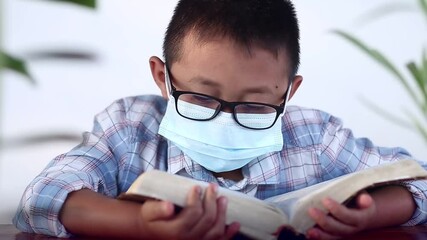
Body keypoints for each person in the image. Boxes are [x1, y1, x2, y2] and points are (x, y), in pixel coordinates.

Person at [13, 0, 427, 239]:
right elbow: (43, 197)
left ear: (288, 93)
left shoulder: (315, 136)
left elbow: (418, 180)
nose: (225, 119)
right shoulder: (129, 129)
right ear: (163, 78)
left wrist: (375, 213)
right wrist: (140, 225)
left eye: (256, 105)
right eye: (200, 97)